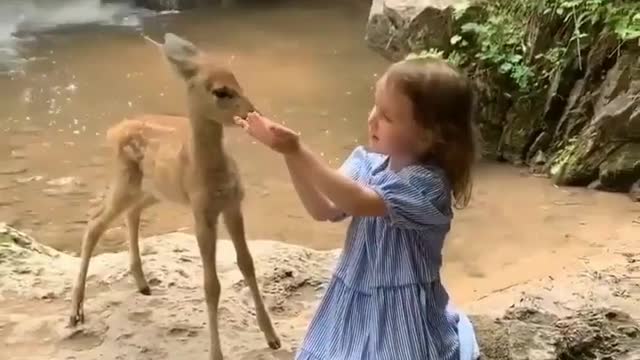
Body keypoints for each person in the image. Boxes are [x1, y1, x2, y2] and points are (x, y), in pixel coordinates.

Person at [234, 57, 481, 360]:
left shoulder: (427, 184)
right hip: (355, 296)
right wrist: (289, 156)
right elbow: (324, 209)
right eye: (374, 106)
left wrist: (299, 150)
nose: (372, 119)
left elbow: (358, 202)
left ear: (429, 135)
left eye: (388, 117)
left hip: (401, 312)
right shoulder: (368, 163)